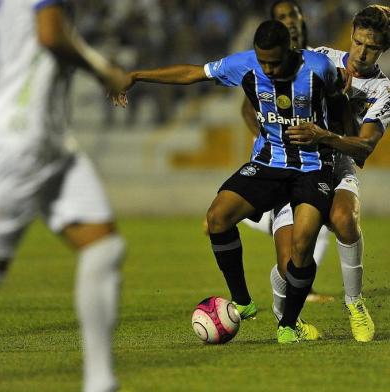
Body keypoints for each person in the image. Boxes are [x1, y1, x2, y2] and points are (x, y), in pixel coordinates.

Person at [111, 19, 348, 343]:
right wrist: (137, 76)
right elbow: (193, 73)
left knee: (302, 244)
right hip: (268, 162)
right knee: (217, 217)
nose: (269, 69)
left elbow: (341, 104)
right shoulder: (246, 65)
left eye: (275, 62)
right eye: (263, 61)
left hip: (313, 166)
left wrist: (336, 140)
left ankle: (288, 325)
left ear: (290, 51)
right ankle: (243, 301)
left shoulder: (318, 67)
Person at [0, 1, 128, 391]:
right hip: (19, 143)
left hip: (52, 144)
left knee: (103, 246)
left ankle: (101, 383)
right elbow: (51, 35)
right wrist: (102, 70)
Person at [285, 4, 390, 342]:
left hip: (339, 163)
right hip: (297, 162)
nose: (361, 52)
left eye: (371, 47)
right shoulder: (319, 58)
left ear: (383, 50)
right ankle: (286, 319)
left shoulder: (384, 91)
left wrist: (325, 136)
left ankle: (355, 303)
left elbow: (363, 148)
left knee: (346, 219)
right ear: (351, 36)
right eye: (358, 42)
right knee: (291, 255)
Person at [241, 0, 334, 309]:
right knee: (304, 233)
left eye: (292, 15)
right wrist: (268, 137)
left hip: (315, 160)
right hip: (281, 163)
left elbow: (336, 98)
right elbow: (248, 105)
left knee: (315, 230)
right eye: (282, 17)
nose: (289, 21)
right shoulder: (267, 61)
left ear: (301, 17)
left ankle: (249, 219)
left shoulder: (320, 59)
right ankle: (243, 216)